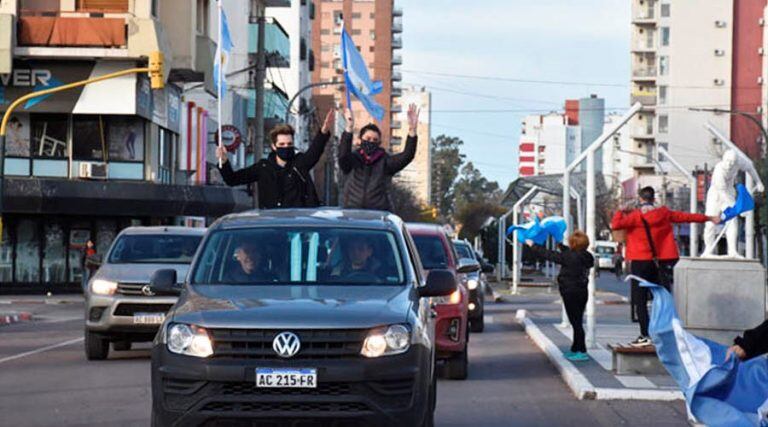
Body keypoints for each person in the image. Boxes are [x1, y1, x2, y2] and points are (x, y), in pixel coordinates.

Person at [611, 186, 720, 347]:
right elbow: (686, 217)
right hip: (661, 260)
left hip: (640, 261)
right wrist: (709, 218)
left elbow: (615, 224)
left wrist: (621, 210)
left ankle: (644, 334)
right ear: (653, 198)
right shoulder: (664, 213)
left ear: (640, 199)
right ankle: (667, 331)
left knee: (640, 299)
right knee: (663, 296)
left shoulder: (635, 216)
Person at [216, 109, 335, 209]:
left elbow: (314, 153)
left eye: (289, 144)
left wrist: (323, 132)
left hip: (299, 223)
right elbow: (232, 179)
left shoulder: (300, 163)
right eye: (282, 144)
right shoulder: (263, 168)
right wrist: (224, 161)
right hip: (273, 224)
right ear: (273, 146)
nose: (286, 147)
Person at [526, 231, 594, 361]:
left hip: (570, 291)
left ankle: (581, 351)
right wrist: (561, 246)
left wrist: (533, 245)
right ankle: (575, 349)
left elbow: (549, 255)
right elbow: (570, 253)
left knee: (576, 322)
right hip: (581, 291)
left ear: (573, 243)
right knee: (577, 320)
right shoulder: (587, 256)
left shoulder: (570, 257)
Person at [338, 104, 419, 211]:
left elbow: (407, 156)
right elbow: (343, 155)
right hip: (351, 213)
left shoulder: (386, 162)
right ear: (360, 140)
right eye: (368, 138)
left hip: (379, 215)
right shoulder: (352, 160)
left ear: (379, 143)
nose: (371, 142)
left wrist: (412, 130)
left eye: (375, 140)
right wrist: (349, 128)